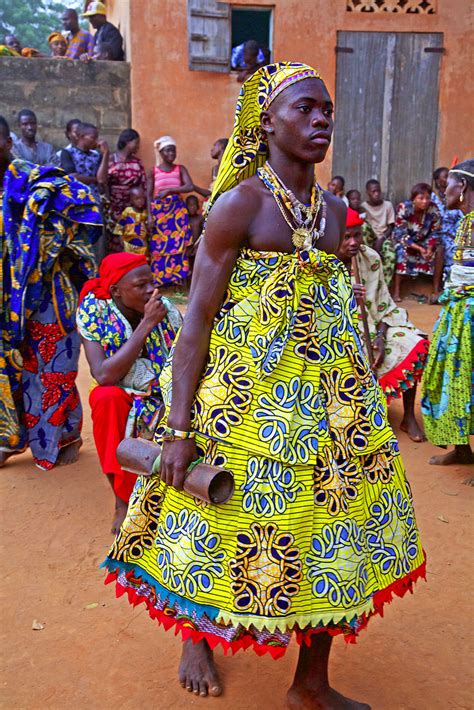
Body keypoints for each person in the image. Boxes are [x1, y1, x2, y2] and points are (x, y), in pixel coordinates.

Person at [103, 63, 425, 706]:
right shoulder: (239, 205)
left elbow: (338, 304)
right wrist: (176, 426)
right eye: (304, 109)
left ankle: (310, 683)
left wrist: (363, 370)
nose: (320, 120)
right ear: (265, 121)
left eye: (326, 110)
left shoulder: (335, 214)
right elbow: (195, 321)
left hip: (333, 406)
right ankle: (196, 635)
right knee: (217, 518)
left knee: (335, 526)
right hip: (247, 403)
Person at [0, 115, 102, 471]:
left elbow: (85, 204)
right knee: (9, 367)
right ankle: (9, 437)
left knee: (53, 366)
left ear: (8, 143)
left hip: (46, 294)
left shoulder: (37, 180)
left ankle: (63, 436)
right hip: (3, 297)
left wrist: (52, 239)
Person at [77, 253, 182, 532]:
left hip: (161, 390)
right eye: (140, 285)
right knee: (106, 399)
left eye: (151, 283)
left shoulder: (167, 310)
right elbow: (103, 374)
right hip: (120, 390)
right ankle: (122, 501)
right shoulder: (94, 313)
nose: (151, 290)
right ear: (115, 292)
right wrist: (146, 325)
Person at [338, 208, 429, 442]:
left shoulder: (370, 258)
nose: (353, 242)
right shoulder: (322, 263)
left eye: (357, 235)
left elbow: (384, 306)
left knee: (414, 342)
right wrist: (344, 293)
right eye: (346, 236)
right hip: (339, 334)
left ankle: (408, 417)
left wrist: (380, 334)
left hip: (375, 326)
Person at [421, 159, 474, 469]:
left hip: (470, 312)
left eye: (447, 186)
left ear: (463, 187)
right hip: (457, 310)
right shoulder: (465, 221)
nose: (444, 192)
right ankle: (463, 450)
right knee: (454, 380)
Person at [147, 136, 193, 286]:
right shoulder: (153, 171)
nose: (171, 153)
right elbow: (148, 194)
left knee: (179, 244)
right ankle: (161, 280)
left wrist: (170, 190)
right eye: (168, 150)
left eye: (173, 150)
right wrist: (149, 216)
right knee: (159, 245)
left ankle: (178, 280)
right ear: (161, 153)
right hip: (160, 212)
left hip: (177, 211)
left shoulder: (180, 169)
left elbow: (189, 186)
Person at [60, 122, 109, 262]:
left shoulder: (96, 155)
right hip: (75, 205)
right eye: (93, 137)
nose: (97, 141)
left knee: (98, 243)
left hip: (94, 203)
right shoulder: (67, 153)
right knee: (76, 243)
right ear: (81, 136)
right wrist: (94, 179)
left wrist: (106, 154)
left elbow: (102, 179)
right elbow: (73, 177)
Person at [392, 182, 444, 303]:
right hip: (407, 240)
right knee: (401, 250)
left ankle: (435, 290)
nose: (425, 201)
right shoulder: (404, 208)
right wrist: (421, 249)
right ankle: (396, 291)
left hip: (425, 240)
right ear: (413, 199)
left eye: (427, 198)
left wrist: (430, 249)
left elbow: (436, 232)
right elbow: (400, 234)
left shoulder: (433, 208)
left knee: (440, 250)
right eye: (421, 198)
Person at [361, 179, 396, 286]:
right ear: (368, 192)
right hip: (369, 239)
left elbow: (391, 227)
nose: (376, 194)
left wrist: (381, 240)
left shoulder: (388, 205)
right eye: (373, 191)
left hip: (384, 237)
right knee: (363, 226)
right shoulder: (363, 207)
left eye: (378, 191)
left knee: (391, 256)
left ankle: (383, 287)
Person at [108, 129, 147, 223]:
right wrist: (109, 205)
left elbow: (143, 185)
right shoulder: (111, 159)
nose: (138, 146)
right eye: (136, 143)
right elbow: (104, 183)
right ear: (128, 142)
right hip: (114, 204)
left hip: (133, 206)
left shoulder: (137, 162)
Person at [431, 166, 463, 281]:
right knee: (445, 248)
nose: (448, 179)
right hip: (435, 235)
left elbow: (461, 218)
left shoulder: (456, 197)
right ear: (437, 181)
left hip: (453, 236)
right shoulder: (431, 198)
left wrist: (458, 236)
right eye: (445, 176)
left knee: (460, 250)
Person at [113, 186, 148, 255]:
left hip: (142, 244)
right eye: (137, 199)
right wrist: (120, 239)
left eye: (142, 198)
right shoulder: (127, 211)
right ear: (131, 200)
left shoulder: (146, 213)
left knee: (141, 260)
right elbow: (120, 225)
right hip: (128, 243)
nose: (140, 201)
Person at [185, 194, 204, 272]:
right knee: (188, 270)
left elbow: (204, 233)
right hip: (187, 249)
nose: (192, 207)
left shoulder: (200, 218)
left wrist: (197, 247)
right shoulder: (184, 218)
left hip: (198, 247)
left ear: (197, 206)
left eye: (194, 205)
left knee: (197, 269)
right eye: (189, 205)